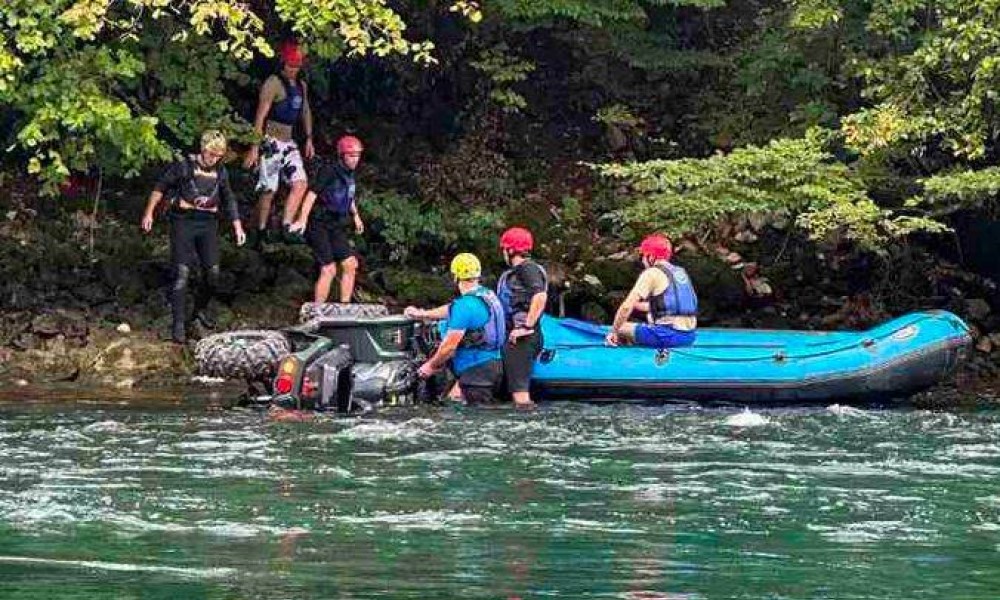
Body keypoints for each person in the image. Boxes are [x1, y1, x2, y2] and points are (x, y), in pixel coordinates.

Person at [140, 130, 247, 343]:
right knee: (182, 273)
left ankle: (198, 309)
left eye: (218, 156)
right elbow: (160, 187)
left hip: (208, 224)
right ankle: (178, 324)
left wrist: (237, 226)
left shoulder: (221, 172)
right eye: (211, 155)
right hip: (184, 221)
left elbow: (228, 198)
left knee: (213, 273)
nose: (214, 159)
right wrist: (149, 212)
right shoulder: (184, 166)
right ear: (203, 149)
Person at [405, 253, 506, 405]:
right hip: (493, 367)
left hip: (475, 372)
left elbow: (449, 348)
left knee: (465, 417)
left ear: (455, 277)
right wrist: (423, 314)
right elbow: (451, 309)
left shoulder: (464, 306)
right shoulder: (486, 295)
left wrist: (430, 366)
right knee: (452, 402)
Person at [243, 40, 314, 244]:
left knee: (300, 182)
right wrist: (255, 146)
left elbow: (305, 111)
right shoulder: (273, 83)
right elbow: (260, 116)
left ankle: (286, 225)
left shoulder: (301, 86)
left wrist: (309, 138)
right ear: (283, 64)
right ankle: (261, 230)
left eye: (296, 66)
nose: (293, 70)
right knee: (269, 187)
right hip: (271, 140)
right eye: (290, 66)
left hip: (289, 140)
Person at [290, 135, 365, 303]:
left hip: (336, 224)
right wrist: (302, 220)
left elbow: (349, 195)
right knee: (329, 269)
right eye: (351, 156)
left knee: (350, 264)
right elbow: (311, 195)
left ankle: (345, 308)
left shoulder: (350, 173)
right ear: (342, 155)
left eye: (357, 156)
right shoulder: (329, 171)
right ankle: (318, 310)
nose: (355, 160)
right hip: (318, 222)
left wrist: (356, 216)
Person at [606, 234, 697, 348]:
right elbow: (667, 306)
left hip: (667, 337)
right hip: (689, 337)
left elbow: (626, 307)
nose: (643, 260)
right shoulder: (680, 272)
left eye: (643, 256)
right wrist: (637, 306)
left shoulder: (651, 273)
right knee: (648, 320)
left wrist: (614, 331)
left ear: (651, 256)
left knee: (622, 328)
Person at [497, 227, 548, 408]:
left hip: (522, 339)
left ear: (510, 250)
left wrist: (526, 327)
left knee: (520, 396)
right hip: (519, 336)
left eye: (504, 249)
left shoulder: (527, 269)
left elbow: (540, 296)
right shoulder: (522, 270)